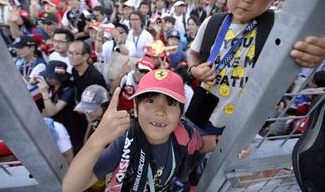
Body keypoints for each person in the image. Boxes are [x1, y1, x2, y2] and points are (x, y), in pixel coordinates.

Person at [187, 0, 325, 135]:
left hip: (241, 125)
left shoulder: (280, 29)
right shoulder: (211, 23)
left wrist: (316, 48)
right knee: (193, 154)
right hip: (201, 113)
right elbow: (193, 54)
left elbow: (311, 37)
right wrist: (194, 70)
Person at [63, 69, 217, 192]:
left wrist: (236, 146)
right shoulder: (126, 143)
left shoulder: (185, 134)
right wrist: (98, 139)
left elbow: (204, 143)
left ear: (180, 113)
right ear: (135, 108)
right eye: (150, 101)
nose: (160, 111)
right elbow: (71, 187)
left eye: (171, 103)